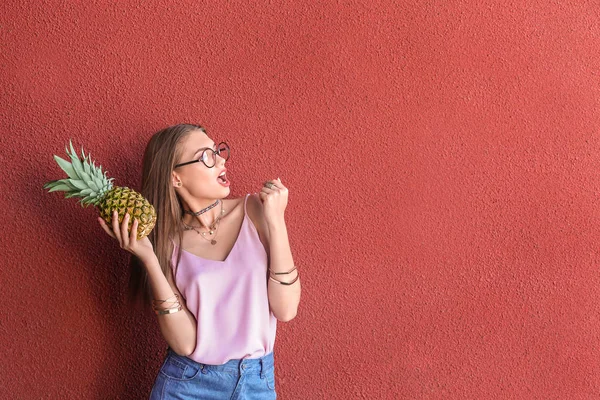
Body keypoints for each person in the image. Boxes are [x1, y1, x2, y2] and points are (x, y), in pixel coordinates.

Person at [98, 123, 301, 399]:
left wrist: (276, 220)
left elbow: (286, 309)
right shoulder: (167, 242)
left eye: (218, 151)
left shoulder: (255, 211)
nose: (220, 160)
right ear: (175, 178)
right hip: (187, 385)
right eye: (206, 156)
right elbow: (185, 343)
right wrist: (148, 257)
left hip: (256, 383)